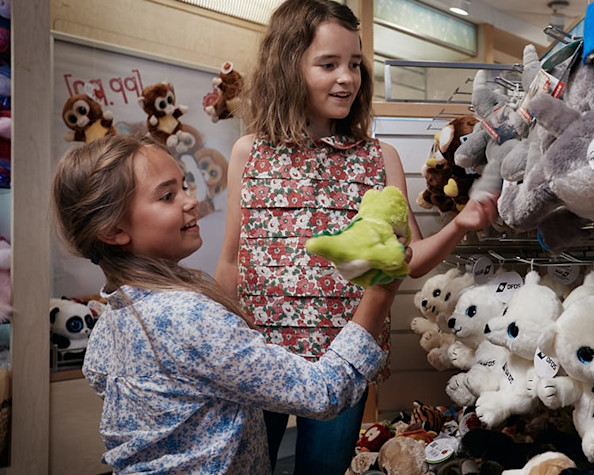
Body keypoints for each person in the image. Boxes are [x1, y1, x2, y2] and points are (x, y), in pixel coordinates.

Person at [214, 0, 499, 472]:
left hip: (343, 356)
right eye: (328, 64)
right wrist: (225, 348)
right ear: (288, 67)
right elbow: (230, 261)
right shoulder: (249, 152)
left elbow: (408, 259)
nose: (346, 78)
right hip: (257, 357)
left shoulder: (378, 157)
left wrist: (460, 225)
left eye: (354, 64)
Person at [51, 135, 407, 473]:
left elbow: (99, 377)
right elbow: (324, 392)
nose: (190, 200)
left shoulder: (111, 319)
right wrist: (380, 291)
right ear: (113, 231)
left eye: (184, 186)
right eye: (167, 196)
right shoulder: (188, 317)